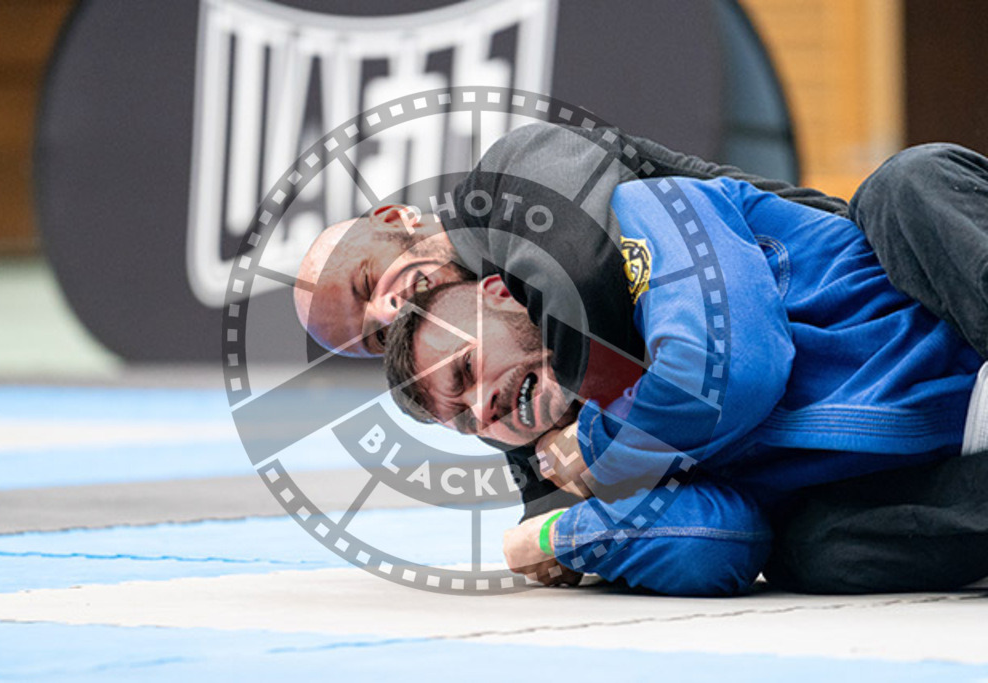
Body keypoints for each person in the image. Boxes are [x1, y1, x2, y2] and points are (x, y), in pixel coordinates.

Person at [296, 121, 988, 593]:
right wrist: (562, 531)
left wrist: (598, 448)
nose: (385, 313)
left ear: (396, 222)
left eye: (364, 287)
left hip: (932, 298)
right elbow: (711, 543)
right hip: (939, 456)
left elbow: (720, 369)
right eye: (373, 338)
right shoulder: (540, 425)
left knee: (908, 182)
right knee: (814, 548)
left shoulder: (548, 194)